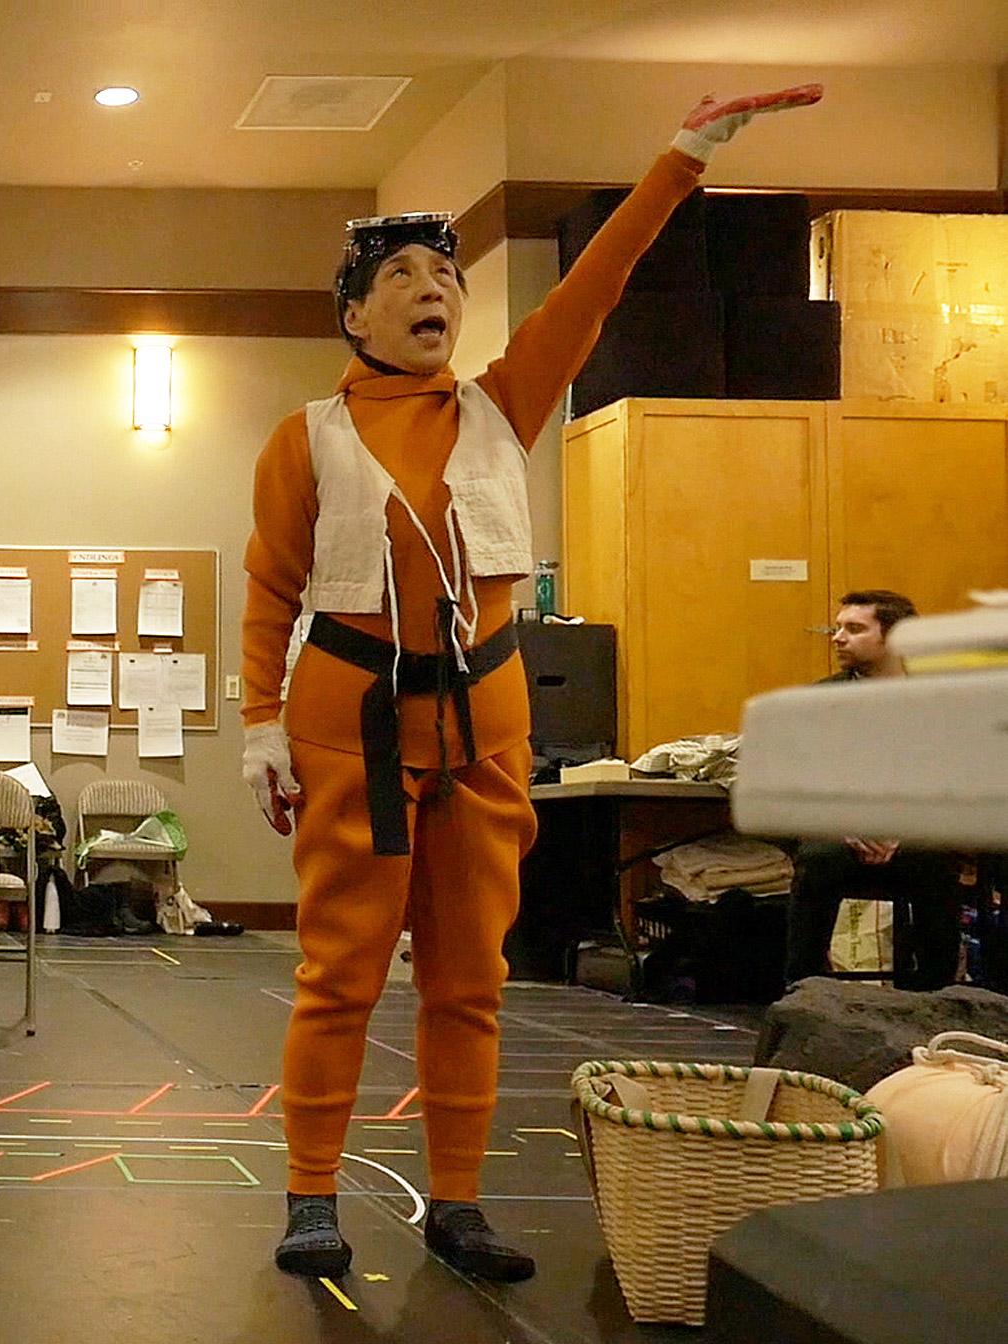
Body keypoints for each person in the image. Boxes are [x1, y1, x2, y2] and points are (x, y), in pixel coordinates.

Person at [238, 86, 822, 1282]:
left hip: (483, 730)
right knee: (338, 974)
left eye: (443, 276)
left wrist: (682, 156)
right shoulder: (305, 437)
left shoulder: (505, 405)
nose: (430, 292)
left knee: (470, 980)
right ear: (352, 312)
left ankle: (457, 1199)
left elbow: (597, 283)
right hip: (349, 729)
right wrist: (255, 720)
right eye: (400, 274)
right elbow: (268, 586)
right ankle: (308, 1194)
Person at [784, 590, 963, 989]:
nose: (838, 637)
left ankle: (936, 994)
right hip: (843, 832)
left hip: (916, 832)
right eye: (838, 628)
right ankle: (803, 989)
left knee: (936, 858)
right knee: (816, 859)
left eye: (854, 628)